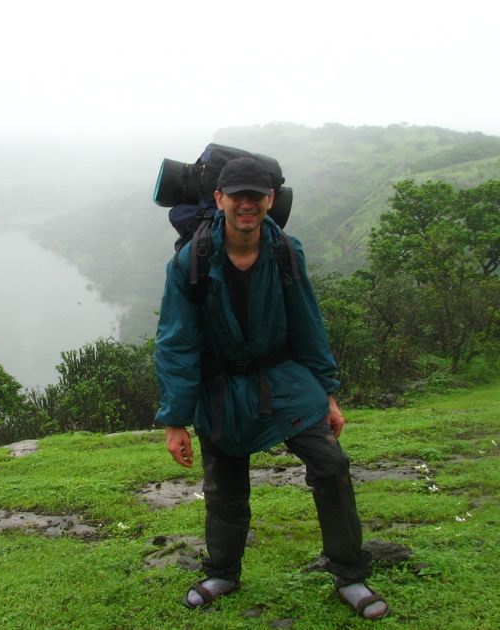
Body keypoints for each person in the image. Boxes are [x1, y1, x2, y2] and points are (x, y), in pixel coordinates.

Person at [154, 156, 389, 620]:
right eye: (236, 195)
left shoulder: (286, 252)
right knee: (224, 485)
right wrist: (175, 419)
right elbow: (176, 342)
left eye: (256, 196)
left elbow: (308, 324)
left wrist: (327, 392)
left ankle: (349, 572)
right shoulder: (191, 260)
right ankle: (222, 571)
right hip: (220, 383)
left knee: (330, 463)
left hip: (283, 376)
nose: (247, 204)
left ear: (270, 200)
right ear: (219, 199)